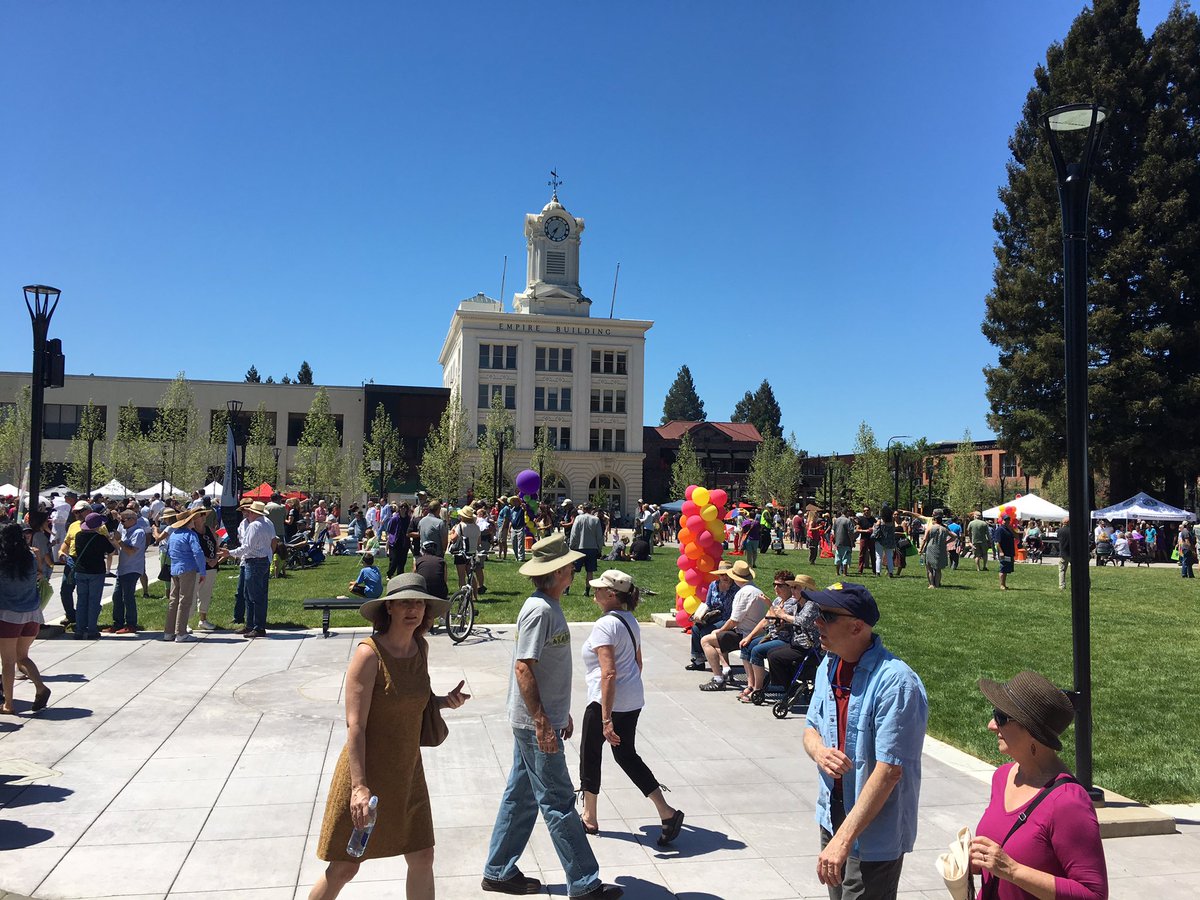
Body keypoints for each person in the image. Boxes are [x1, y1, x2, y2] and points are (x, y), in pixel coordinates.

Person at [309, 573, 468, 900]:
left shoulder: (420, 648)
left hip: (408, 773)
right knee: (345, 867)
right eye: (405, 602)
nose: (414, 609)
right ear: (390, 608)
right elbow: (356, 726)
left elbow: (409, 699)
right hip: (367, 775)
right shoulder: (369, 655)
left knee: (423, 856)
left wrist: (442, 702)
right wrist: (359, 788)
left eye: (420, 603)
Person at [482, 534, 623, 898]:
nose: (575, 568)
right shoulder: (540, 610)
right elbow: (523, 668)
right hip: (534, 725)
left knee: (522, 795)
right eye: (571, 564)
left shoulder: (550, 605)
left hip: (541, 719)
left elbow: (546, 668)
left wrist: (559, 714)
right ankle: (585, 882)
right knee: (559, 801)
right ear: (559, 571)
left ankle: (498, 871)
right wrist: (543, 721)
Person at [802, 582, 928, 899]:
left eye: (827, 615)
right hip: (832, 816)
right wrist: (819, 751)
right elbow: (810, 728)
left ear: (857, 626)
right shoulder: (828, 666)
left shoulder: (896, 682)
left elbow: (889, 771)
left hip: (873, 832)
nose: (817, 621)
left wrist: (844, 840)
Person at [971, 671, 1108, 899]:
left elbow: (1094, 894)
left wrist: (1012, 870)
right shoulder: (1003, 777)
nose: (991, 725)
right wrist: (975, 860)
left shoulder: (1067, 801)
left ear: (1032, 732)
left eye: (1001, 717)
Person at [577, 569, 683, 845]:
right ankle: (666, 811)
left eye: (600, 588)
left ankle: (589, 815)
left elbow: (608, 673)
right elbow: (638, 663)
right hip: (631, 700)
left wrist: (605, 718)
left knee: (590, 754)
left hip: (605, 701)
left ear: (611, 595)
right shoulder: (629, 620)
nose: (595, 592)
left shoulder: (604, 625)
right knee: (626, 755)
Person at [0, 522, 50, 714]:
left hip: (8, 615)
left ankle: (9, 704)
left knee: (7, 662)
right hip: (32, 614)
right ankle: (40, 686)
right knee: (22, 657)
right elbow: (38, 574)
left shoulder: (3, 559)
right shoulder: (30, 555)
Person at [698, 559, 766, 692]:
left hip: (745, 634)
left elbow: (734, 620)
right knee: (717, 636)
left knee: (706, 640)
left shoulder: (743, 593)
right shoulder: (757, 590)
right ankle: (726, 668)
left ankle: (718, 679)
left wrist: (720, 631)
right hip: (756, 632)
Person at [738, 570, 800, 702]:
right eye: (774, 585)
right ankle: (750, 684)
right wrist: (749, 637)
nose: (776, 588)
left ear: (789, 587)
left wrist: (769, 605)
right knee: (746, 645)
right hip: (772, 636)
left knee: (757, 651)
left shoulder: (792, 602)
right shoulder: (778, 600)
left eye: (780, 585)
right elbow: (766, 620)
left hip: (785, 639)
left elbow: (778, 620)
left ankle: (758, 690)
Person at [218, 500, 275, 639]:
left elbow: (246, 547)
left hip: (254, 561)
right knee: (255, 595)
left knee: (253, 596)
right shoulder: (268, 523)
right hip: (263, 561)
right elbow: (273, 541)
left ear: (253, 513)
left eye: (248, 512)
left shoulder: (254, 526)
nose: (246, 514)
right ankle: (252, 625)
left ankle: (257, 627)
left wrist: (229, 553)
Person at [685, 560, 737, 671]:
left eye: (727, 574)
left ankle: (716, 663)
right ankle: (698, 660)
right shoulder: (713, 585)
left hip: (727, 618)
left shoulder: (736, 588)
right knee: (695, 628)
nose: (724, 577)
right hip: (713, 616)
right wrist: (699, 615)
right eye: (722, 574)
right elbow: (708, 604)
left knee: (706, 631)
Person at [165, 508, 207, 643]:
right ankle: (181, 633)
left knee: (173, 601)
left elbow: (170, 551)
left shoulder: (174, 534)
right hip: (187, 569)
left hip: (175, 569)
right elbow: (198, 553)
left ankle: (168, 632)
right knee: (185, 601)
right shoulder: (190, 535)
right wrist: (202, 571)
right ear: (189, 522)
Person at [71, 512, 112, 641]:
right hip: (96, 571)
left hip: (81, 571)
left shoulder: (78, 536)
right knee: (94, 601)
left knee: (82, 600)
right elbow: (111, 550)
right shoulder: (100, 538)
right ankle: (92, 630)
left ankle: (79, 629)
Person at [107, 507, 147, 634]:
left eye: (123, 521)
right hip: (122, 569)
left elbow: (131, 551)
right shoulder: (125, 531)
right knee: (117, 597)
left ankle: (131, 624)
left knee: (127, 597)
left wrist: (119, 540)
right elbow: (121, 548)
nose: (121, 524)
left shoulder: (138, 532)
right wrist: (112, 540)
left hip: (132, 568)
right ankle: (117, 623)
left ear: (132, 520)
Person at [569, 502, 605, 595]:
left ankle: (566, 589)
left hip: (579, 548)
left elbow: (574, 534)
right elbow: (599, 536)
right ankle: (587, 591)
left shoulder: (578, 518)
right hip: (592, 548)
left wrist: (572, 546)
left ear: (583, 509)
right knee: (590, 571)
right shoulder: (596, 519)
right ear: (591, 509)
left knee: (573, 570)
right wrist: (599, 548)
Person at [448, 506, 481, 592]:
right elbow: (478, 542)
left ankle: (462, 594)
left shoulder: (460, 526)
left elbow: (453, 538)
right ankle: (474, 595)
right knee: (471, 575)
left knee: (461, 576)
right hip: (472, 553)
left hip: (461, 553)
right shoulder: (476, 527)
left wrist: (451, 533)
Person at [918, 510, 950, 589]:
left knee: (929, 568)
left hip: (930, 547)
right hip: (941, 548)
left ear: (935, 520)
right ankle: (938, 583)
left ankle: (932, 584)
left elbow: (924, 539)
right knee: (938, 569)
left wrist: (921, 549)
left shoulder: (930, 528)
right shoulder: (944, 528)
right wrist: (946, 542)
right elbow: (954, 536)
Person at [386, 502, 412, 578]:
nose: (403, 508)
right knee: (394, 560)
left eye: (405, 507)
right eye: (401, 507)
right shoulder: (394, 518)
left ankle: (400, 576)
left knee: (402, 561)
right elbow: (389, 530)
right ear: (399, 508)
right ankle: (389, 574)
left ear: (407, 508)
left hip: (404, 542)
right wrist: (388, 541)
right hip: (395, 542)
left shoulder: (408, 519)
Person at [994, 515, 1017, 591]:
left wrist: (1011, 529)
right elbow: (997, 542)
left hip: (1009, 551)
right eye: (1005, 520)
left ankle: (1004, 584)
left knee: (1006, 569)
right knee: (1003, 568)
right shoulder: (1000, 529)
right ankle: (1001, 585)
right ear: (1002, 520)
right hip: (1003, 552)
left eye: (1008, 520)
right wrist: (1001, 551)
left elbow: (1017, 537)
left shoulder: (1009, 529)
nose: (1007, 521)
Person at [832, 509, 856, 577]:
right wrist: (852, 541)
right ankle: (845, 573)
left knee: (838, 557)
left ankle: (837, 572)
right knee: (845, 557)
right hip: (846, 541)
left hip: (838, 542)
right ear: (847, 513)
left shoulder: (836, 520)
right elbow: (850, 532)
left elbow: (833, 531)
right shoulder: (848, 521)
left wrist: (835, 540)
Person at [855, 506, 876, 576]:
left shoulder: (873, 519)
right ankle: (860, 570)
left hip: (872, 539)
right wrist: (865, 531)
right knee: (862, 555)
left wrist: (873, 529)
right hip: (863, 538)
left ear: (870, 511)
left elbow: (876, 527)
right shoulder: (860, 519)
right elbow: (857, 529)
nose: (866, 512)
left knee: (873, 555)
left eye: (867, 510)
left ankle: (874, 570)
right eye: (864, 511)